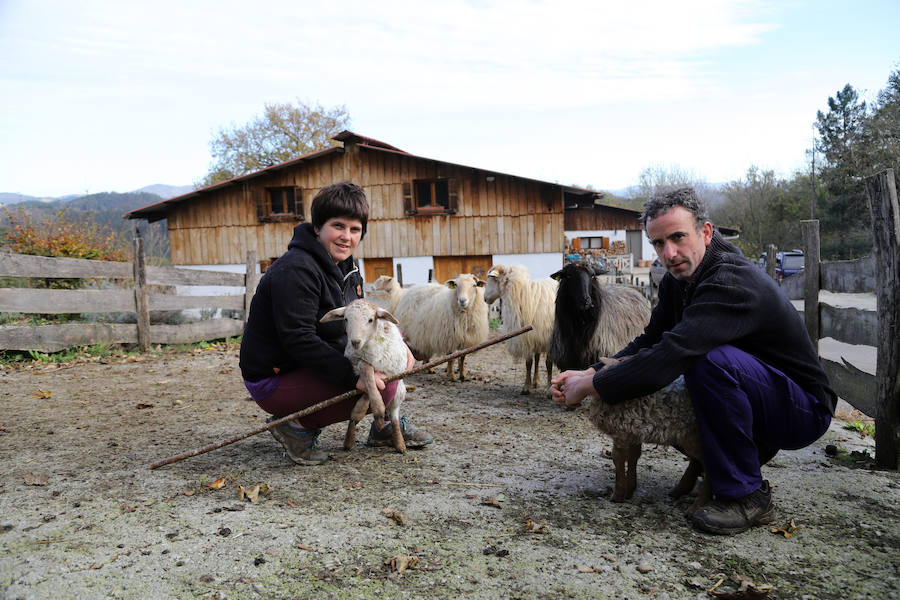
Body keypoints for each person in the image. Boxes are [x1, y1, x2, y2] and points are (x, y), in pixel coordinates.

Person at [550, 186, 835, 535]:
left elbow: (669, 355)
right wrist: (592, 370)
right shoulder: (679, 278)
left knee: (707, 362)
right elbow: (650, 340)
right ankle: (722, 466)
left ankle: (747, 496)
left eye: (678, 237)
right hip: (758, 396)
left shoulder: (729, 282)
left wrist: (591, 386)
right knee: (694, 371)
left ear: (706, 232)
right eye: (658, 243)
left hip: (801, 408)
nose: (669, 253)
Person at [239, 182, 433, 465]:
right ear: (317, 227)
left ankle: (384, 424)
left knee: (388, 367)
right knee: (384, 385)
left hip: (307, 366)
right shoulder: (296, 270)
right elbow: (298, 339)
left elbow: (364, 321)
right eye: (338, 226)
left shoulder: (348, 267)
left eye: (355, 230)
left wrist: (402, 347)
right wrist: (352, 376)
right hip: (274, 377)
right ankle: (294, 427)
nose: (346, 237)